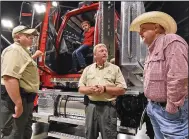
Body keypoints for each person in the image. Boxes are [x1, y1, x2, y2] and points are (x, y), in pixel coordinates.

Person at [129, 11, 188, 139]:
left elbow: (179, 77)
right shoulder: (152, 50)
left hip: (168, 110)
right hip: (154, 108)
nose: (140, 33)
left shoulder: (171, 41)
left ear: (156, 27)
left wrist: (172, 108)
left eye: (143, 29)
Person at [1, 25, 42, 139]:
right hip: (16, 99)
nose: (32, 38)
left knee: (23, 131)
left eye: (32, 36)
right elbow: (9, 78)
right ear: (18, 37)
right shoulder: (14, 50)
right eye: (28, 35)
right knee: (14, 133)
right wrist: (18, 103)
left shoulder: (23, 51)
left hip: (25, 98)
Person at [78, 43, 127, 139]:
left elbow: (122, 90)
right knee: (90, 136)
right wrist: (90, 89)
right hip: (91, 107)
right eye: (101, 51)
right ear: (95, 55)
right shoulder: (88, 69)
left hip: (108, 108)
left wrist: (104, 89)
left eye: (106, 51)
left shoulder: (115, 69)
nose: (105, 53)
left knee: (109, 136)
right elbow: (80, 88)